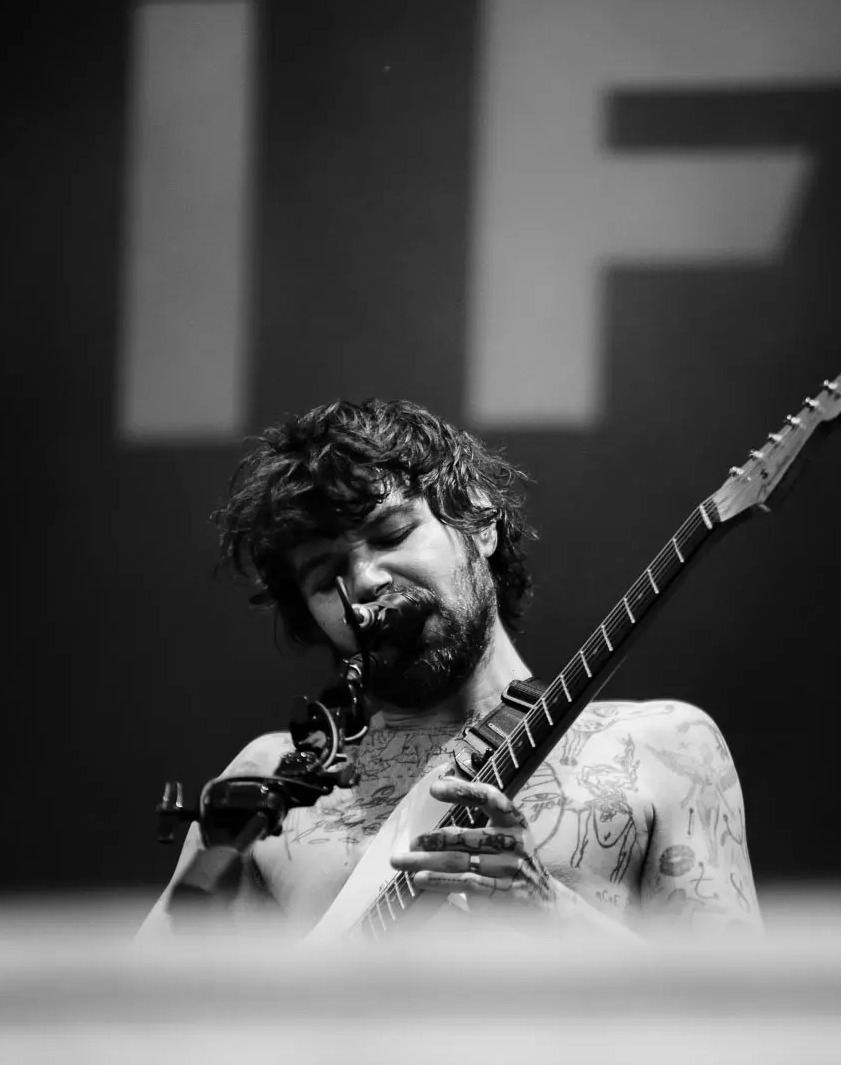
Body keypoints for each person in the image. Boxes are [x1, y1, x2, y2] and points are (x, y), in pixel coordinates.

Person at [139, 399, 760, 940]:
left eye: (391, 535)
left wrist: (550, 910)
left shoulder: (665, 746)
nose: (366, 580)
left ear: (479, 521)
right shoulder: (269, 786)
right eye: (326, 575)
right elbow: (153, 1015)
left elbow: (740, 1014)